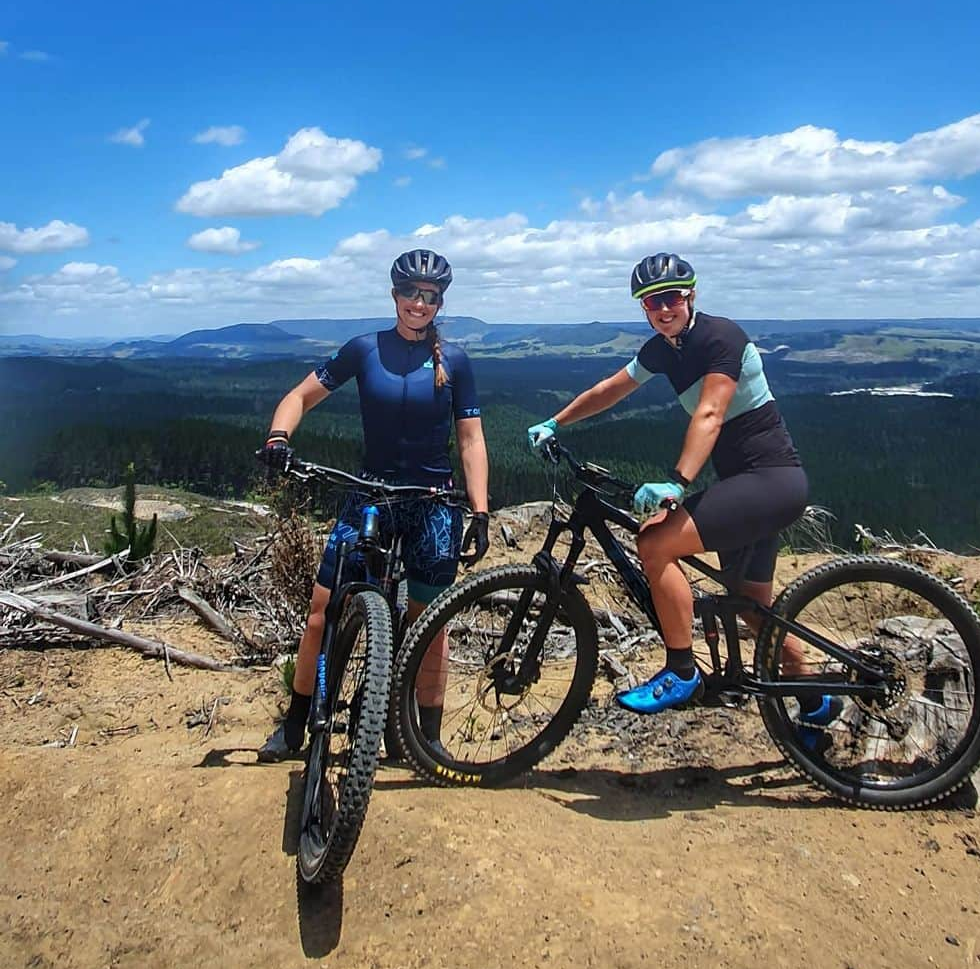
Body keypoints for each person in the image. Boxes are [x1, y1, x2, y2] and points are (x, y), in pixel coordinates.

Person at [527, 253, 829, 730]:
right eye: (651, 303)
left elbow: (710, 414)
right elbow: (612, 389)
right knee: (751, 606)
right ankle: (817, 700)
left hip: (770, 480)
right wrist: (555, 421)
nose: (662, 309)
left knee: (654, 540)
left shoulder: (720, 337)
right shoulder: (664, 348)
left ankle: (681, 669)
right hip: (750, 485)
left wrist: (677, 482)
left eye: (670, 298)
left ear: (691, 296)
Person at [258, 248, 490, 761]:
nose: (420, 303)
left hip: (433, 500)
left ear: (439, 302)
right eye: (411, 293)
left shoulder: (455, 361)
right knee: (323, 609)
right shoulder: (364, 350)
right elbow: (299, 396)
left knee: (431, 626)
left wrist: (479, 510)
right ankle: (295, 724)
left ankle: (426, 738)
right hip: (371, 493)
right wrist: (278, 436)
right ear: (395, 296)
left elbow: (471, 439)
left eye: (430, 297)